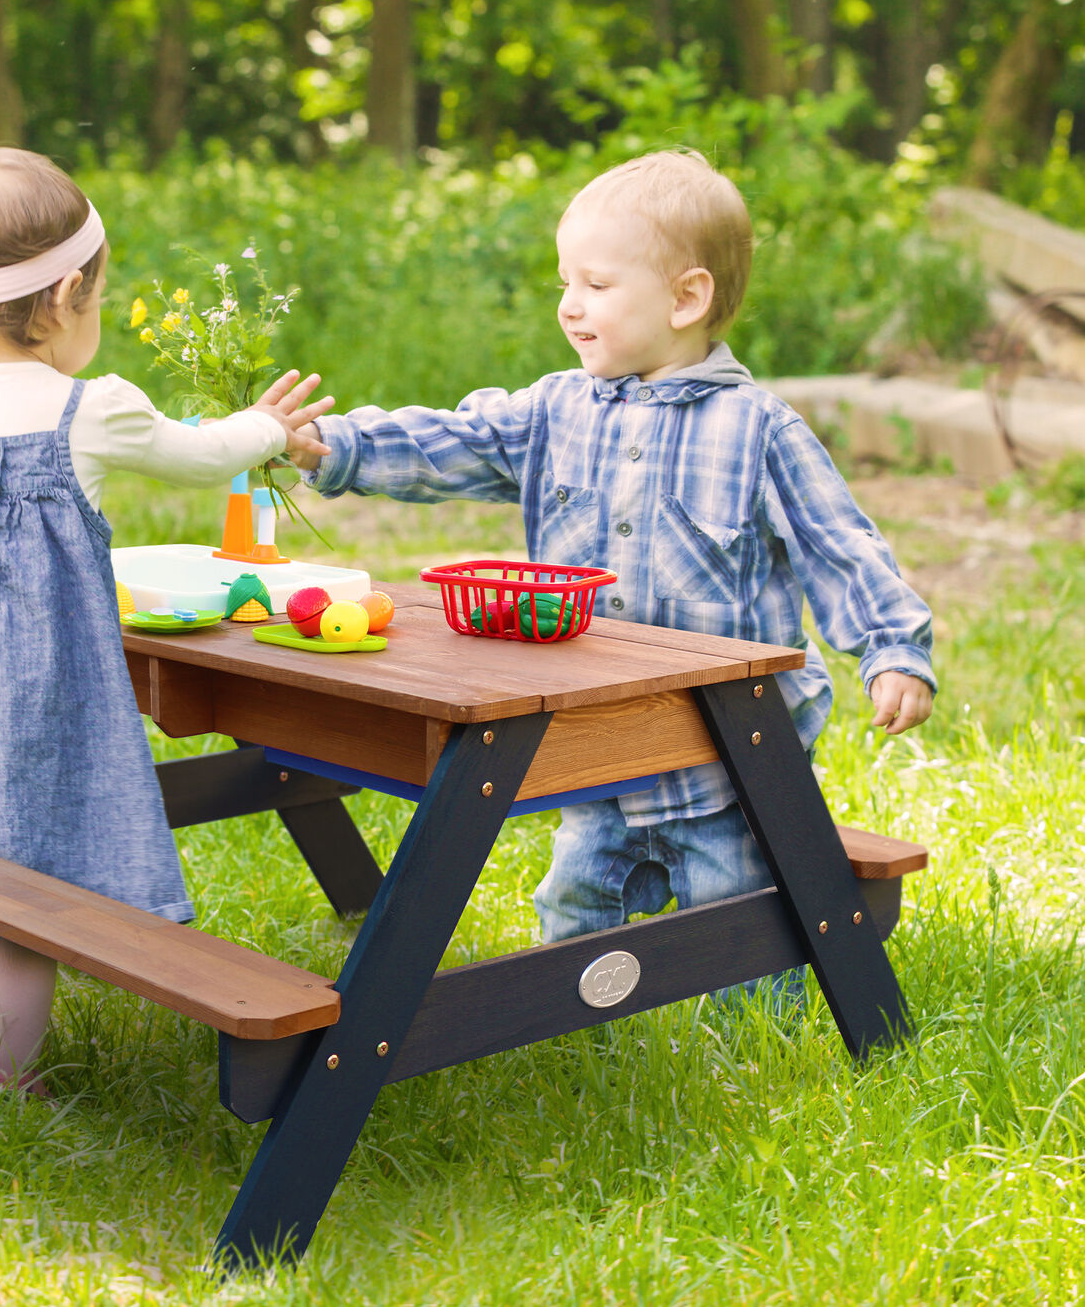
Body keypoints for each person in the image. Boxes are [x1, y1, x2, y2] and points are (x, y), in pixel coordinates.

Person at [290, 149, 935, 959]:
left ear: (686, 297)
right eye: (564, 283)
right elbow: (453, 438)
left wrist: (893, 649)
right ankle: (573, 1031)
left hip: (726, 757)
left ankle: (746, 1043)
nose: (569, 305)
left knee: (730, 928)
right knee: (574, 904)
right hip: (593, 741)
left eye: (595, 285)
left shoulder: (757, 430)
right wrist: (328, 445)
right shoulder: (556, 410)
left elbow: (838, 545)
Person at [0, 147, 333, 1092]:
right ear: (69, 294)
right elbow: (205, 456)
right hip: (42, 706)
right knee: (29, 888)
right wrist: (267, 427)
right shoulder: (93, 411)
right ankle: (2, 1084)